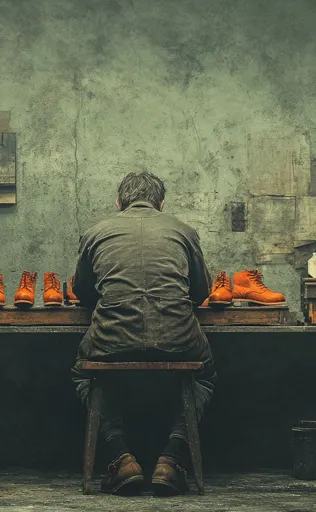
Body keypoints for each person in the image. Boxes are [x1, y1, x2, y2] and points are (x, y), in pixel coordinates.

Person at [71, 171, 217, 497]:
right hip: (178, 338)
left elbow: (82, 292)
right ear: (161, 204)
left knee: (84, 373)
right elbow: (201, 292)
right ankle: (172, 458)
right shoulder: (184, 231)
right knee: (204, 374)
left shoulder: (95, 233)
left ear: (119, 203)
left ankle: (120, 457)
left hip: (111, 339)